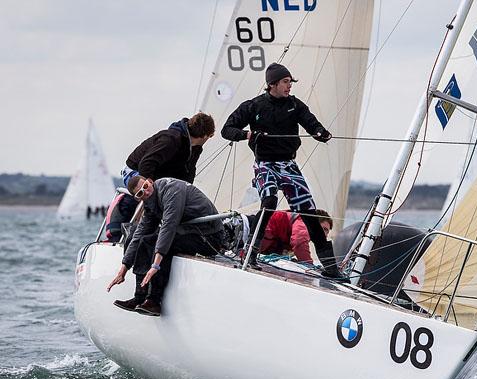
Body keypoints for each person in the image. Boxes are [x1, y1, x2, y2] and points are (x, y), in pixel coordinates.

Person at [220, 62, 340, 277]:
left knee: (308, 212)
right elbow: (226, 130)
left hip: (289, 165)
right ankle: (251, 253)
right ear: (272, 84)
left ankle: (330, 267)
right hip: (265, 163)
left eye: (290, 82)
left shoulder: (295, 105)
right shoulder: (254, 106)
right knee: (269, 202)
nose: (289, 86)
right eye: (286, 82)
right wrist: (248, 135)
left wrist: (320, 133)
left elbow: (311, 123)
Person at [106, 175, 225, 317]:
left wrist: (155, 266)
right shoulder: (150, 203)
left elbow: (169, 225)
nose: (146, 192)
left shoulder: (171, 190)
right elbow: (139, 235)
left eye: (145, 187)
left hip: (210, 238)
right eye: (140, 193)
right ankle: (139, 297)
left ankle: (154, 302)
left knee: (159, 243)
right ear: (138, 198)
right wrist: (123, 269)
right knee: (144, 240)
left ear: (150, 181)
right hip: (191, 232)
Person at [106, 112, 216, 242]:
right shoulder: (171, 139)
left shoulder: (195, 147)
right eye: (210, 136)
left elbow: (188, 171)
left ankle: (156, 235)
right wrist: (150, 191)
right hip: (135, 170)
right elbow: (146, 164)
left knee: (169, 198)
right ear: (204, 136)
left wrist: (185, 192)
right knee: (150, 195)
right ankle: (120, 233)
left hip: (158, 173)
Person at [257, 209, 333, 263]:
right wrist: (309, 265)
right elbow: (298, 242)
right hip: (251, 232)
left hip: (256, 244)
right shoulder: (303, 221)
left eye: (327, 232)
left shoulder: (301, 227)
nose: (325, 235)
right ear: (315, 223)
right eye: (324, 229)